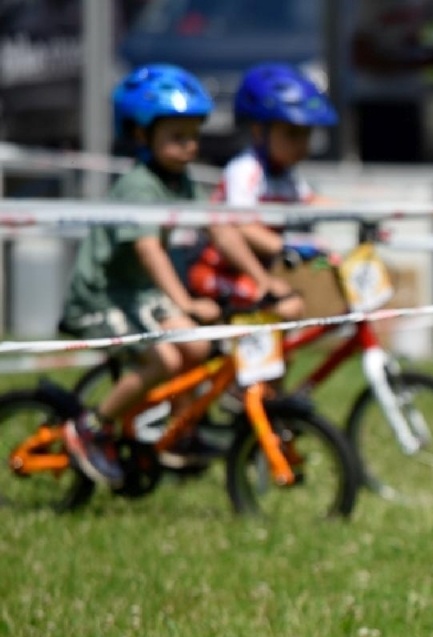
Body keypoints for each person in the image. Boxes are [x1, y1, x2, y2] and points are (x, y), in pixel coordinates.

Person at [59, 64, 297, 489]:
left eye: (194, 135)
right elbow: (148, 249)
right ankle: (89, 428)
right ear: (140, 134)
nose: (189, 146)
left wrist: (261, 280)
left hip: (141, 294)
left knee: (198, 345)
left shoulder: (181, 181)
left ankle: (177, 428)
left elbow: (220, 229)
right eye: (177, 136)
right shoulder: (138, 186)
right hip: (104, 296)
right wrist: (185, 302)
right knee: (166, 359)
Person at [185, 63, 334, 312]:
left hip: (256, 271)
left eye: (307, 134)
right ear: (258, 131)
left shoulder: (285, 174)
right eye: (292, 134)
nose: (303, 145)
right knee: (287, 307)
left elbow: (311, 201)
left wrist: (363, 211)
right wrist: (286, 245)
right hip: (216, 270)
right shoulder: (244, 170)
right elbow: (242, 226)